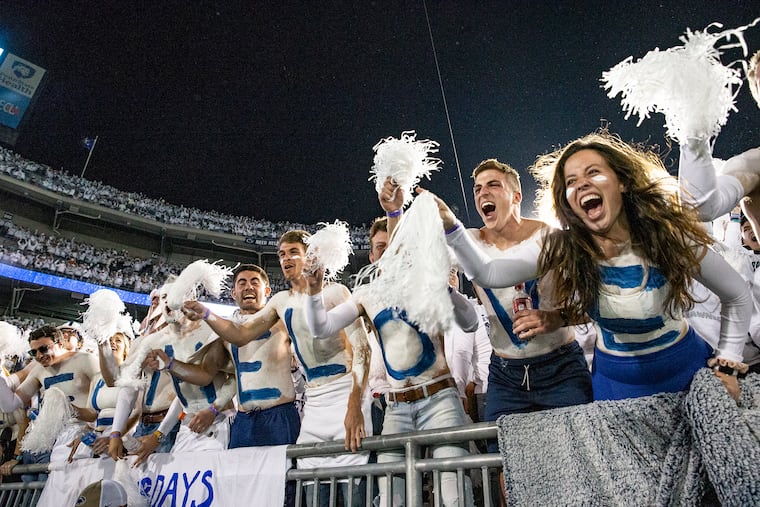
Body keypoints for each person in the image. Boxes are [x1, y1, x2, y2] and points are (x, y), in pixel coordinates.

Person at [431, 131, 751, 401]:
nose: (582, 184)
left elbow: (736, 294)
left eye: (593, 173)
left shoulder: (666, 235)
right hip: (614, 387)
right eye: (571, 180)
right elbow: (489, 273)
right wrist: (451, 228)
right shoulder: (564, 246)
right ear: (566, 197)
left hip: (687, 373)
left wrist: (728, 362)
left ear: (622, 182)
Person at [304, 183, 479, 507]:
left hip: (440, 399)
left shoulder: (425, 281)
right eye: (379, 247)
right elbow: (321, 327)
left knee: (453, 494)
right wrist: (314, 292)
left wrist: (447, 290)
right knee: (391, 500)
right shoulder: (367, 294)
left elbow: (470, 323)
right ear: (371, 255)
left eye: (391, 244)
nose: (385, 252)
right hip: (396, 407)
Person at [183, 230, 371, 507]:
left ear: (311, 255)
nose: (286, 259)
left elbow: (363, 350)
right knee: (312, 488)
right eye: (282, 254)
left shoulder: (336, 293)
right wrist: (207, 314)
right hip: (315, 403)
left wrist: (355, 403)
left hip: (346, 392)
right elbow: (240, 334)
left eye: (293, 252)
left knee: (352, 489)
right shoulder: (280, 302)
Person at [0, 325, 99, 462]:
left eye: (44, 349)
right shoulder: (39, 370)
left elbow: (102, 402)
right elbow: (9, 404)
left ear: (59, 343)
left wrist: (87, 429)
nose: (40, 356)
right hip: (56, 440)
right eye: (34, 353)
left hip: (86, 434)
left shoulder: (86, 360)